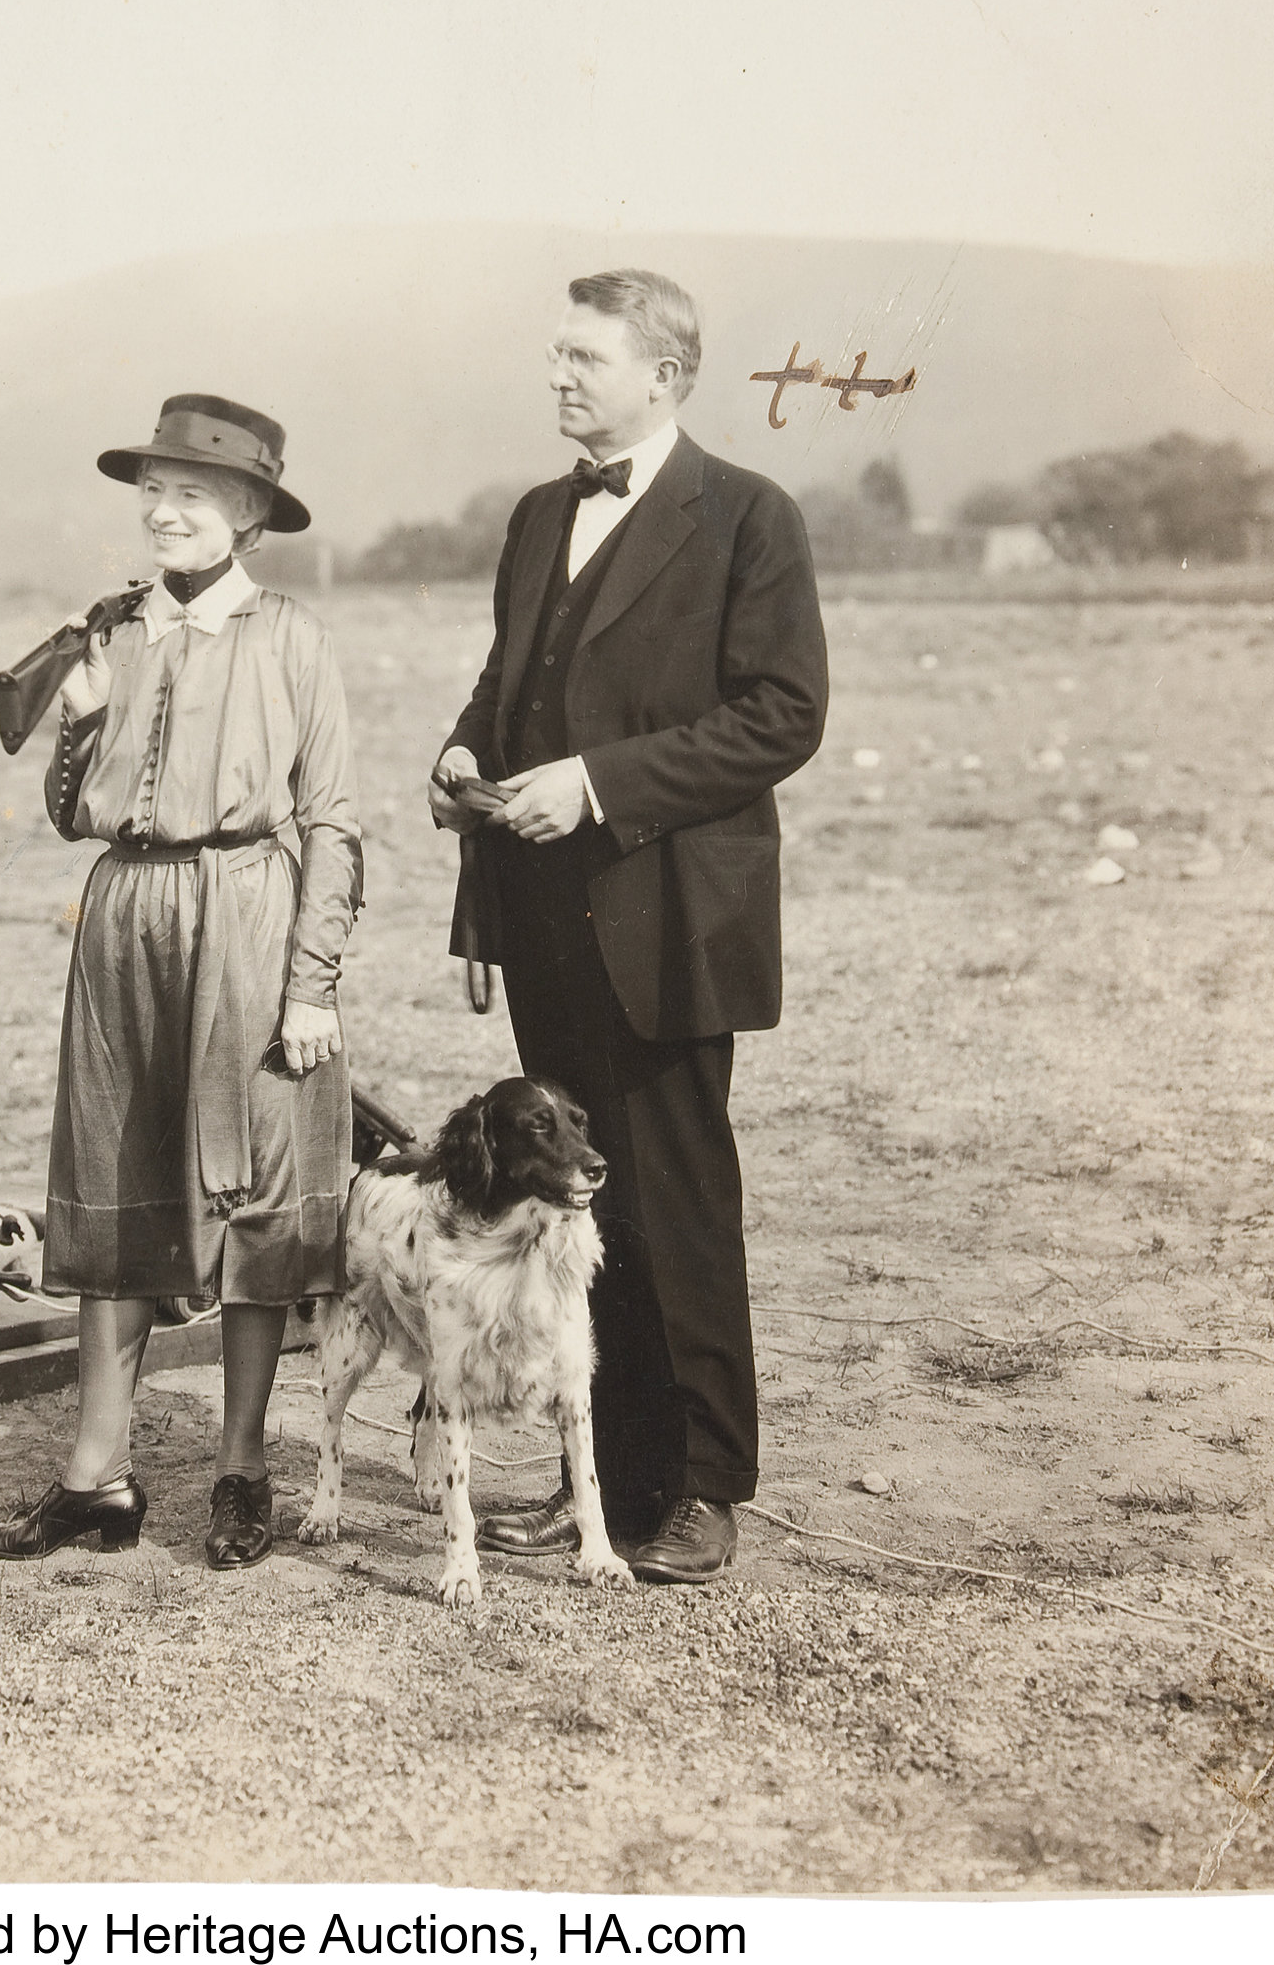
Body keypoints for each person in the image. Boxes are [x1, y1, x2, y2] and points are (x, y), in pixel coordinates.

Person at [430, 269, 827, 1584]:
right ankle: (604, 1480)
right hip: (546, 920)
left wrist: (598, 785)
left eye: (583, 358)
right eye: (554, 354)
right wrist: (465, 750)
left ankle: (705, 1484)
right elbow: (512, 679)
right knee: (569, 1215)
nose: (556, 376)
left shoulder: (748, 517)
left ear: (661, 376)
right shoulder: (540, 513)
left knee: (676, 1207)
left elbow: (781, 714)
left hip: (665, 925)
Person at [0, 394, 361, 1570]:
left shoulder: (291, 637)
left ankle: (241, 1465)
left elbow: (333, 825)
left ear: (248, 515)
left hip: (248, 912)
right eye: (153, 489)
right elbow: (64, 818)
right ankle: (97, 1475)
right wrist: (77, 727)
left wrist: (311, 984)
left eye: (194, 492)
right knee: (115, 1176)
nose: (165, 510)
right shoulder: (111, 634)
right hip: (122, 918)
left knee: (248, 1188)